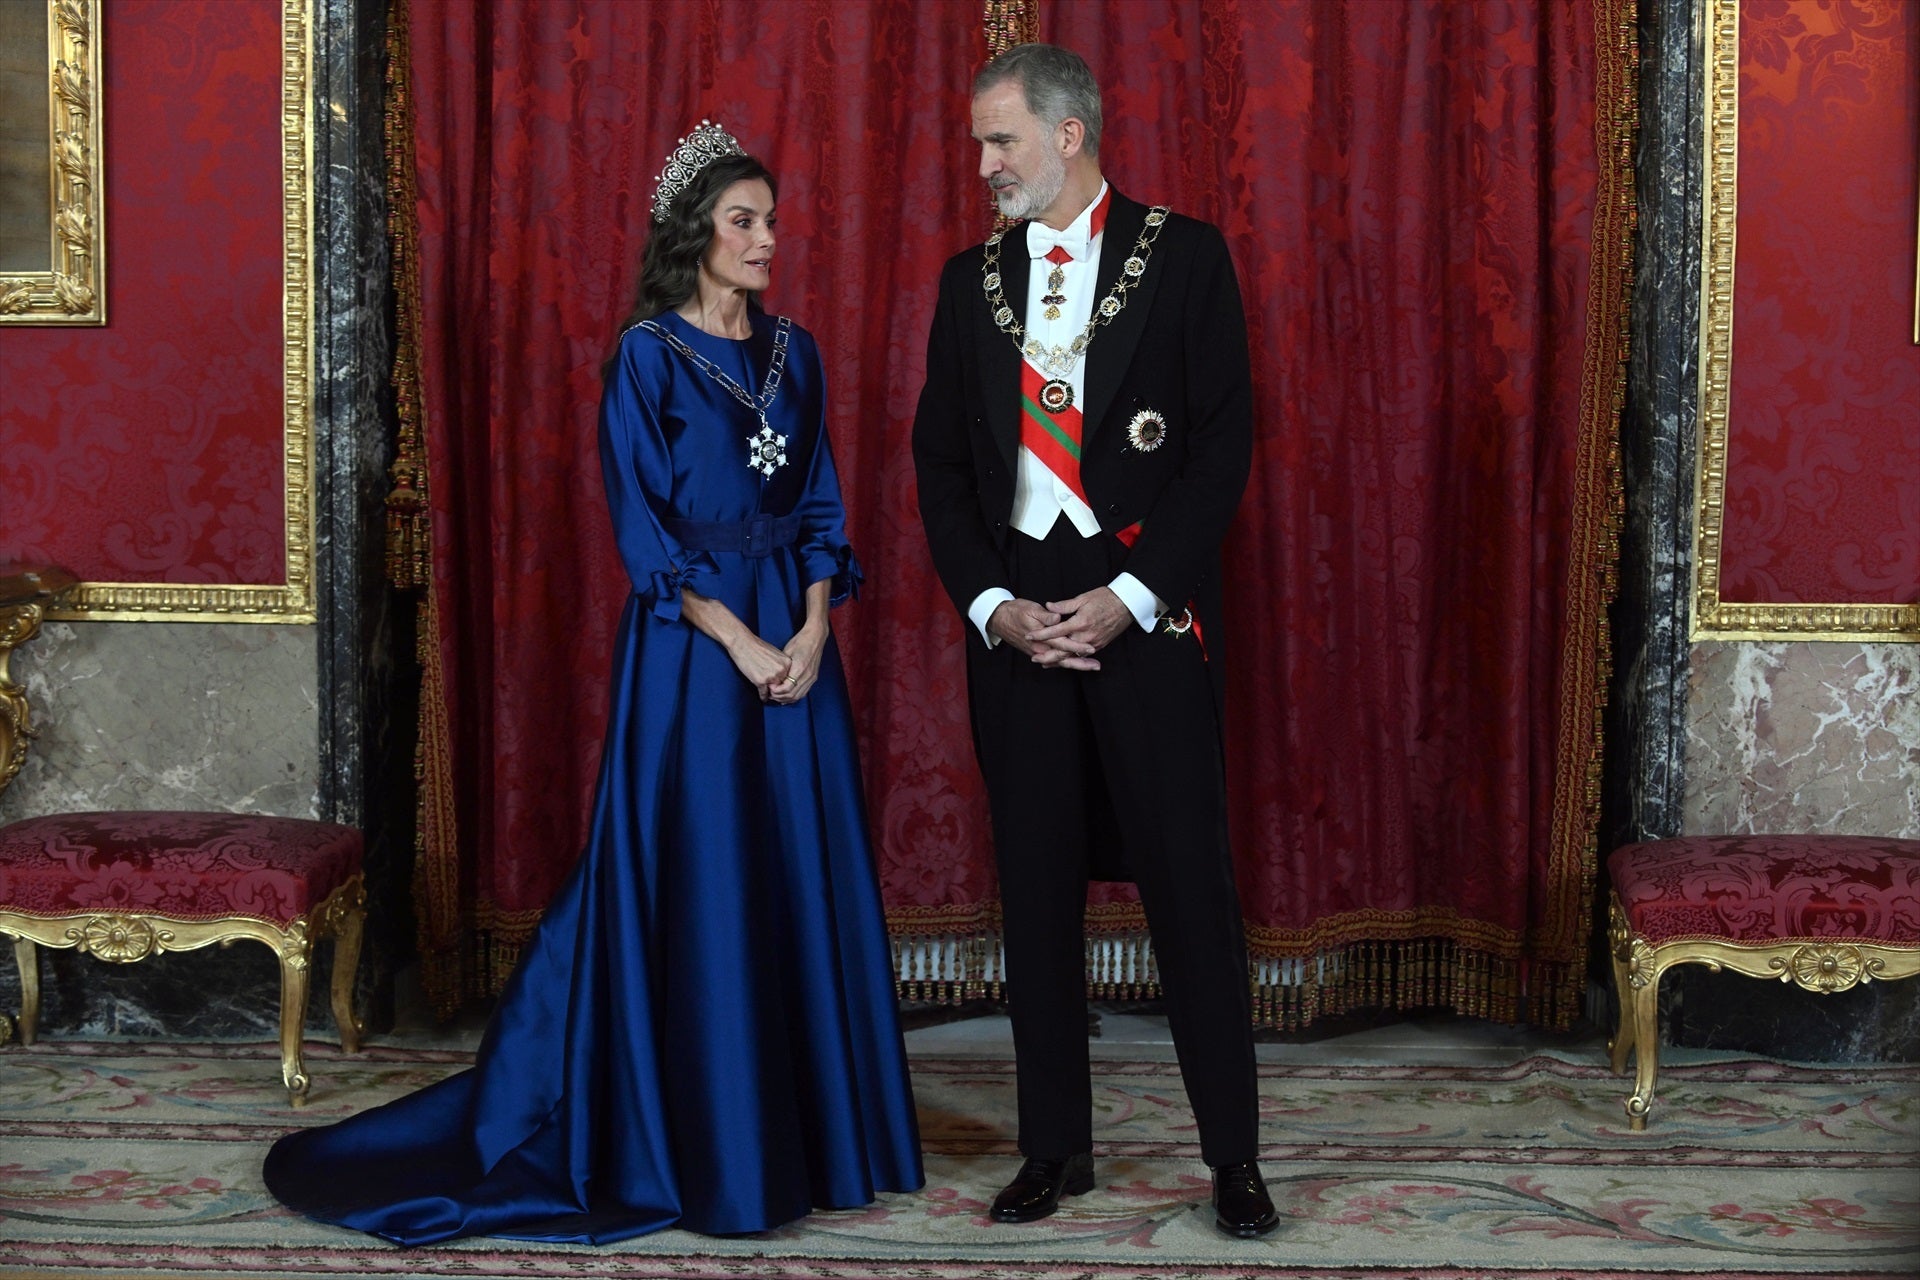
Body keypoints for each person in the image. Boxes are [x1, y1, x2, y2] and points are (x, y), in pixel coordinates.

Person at [264, 123, 923, 1244]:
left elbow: (821, 504)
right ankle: (705, 1137)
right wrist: (746, 643)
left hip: (794, 643)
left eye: (771, 219)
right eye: (744, 221)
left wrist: (812, 628)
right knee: (706, 872)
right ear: (696, 236)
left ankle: (814, 1133)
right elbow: (646, 535)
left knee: (794, 869)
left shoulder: (796, 351)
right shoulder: (648, 358)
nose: (768, 239)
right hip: (695, 651)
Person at [910, 45, 1275, 1238]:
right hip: (1020, 622)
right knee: (1036, 894)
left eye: (1000, 140)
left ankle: (1234, 1159)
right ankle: (1054, 1146)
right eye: (978, 143)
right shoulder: (970, 282)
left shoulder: (1186, 256)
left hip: (1143, 610)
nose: (983, 165)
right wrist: (990, 606)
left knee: (1188, 891)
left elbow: (1222, 446)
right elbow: (943, 466)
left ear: (1069, 135)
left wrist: (1132, 592)